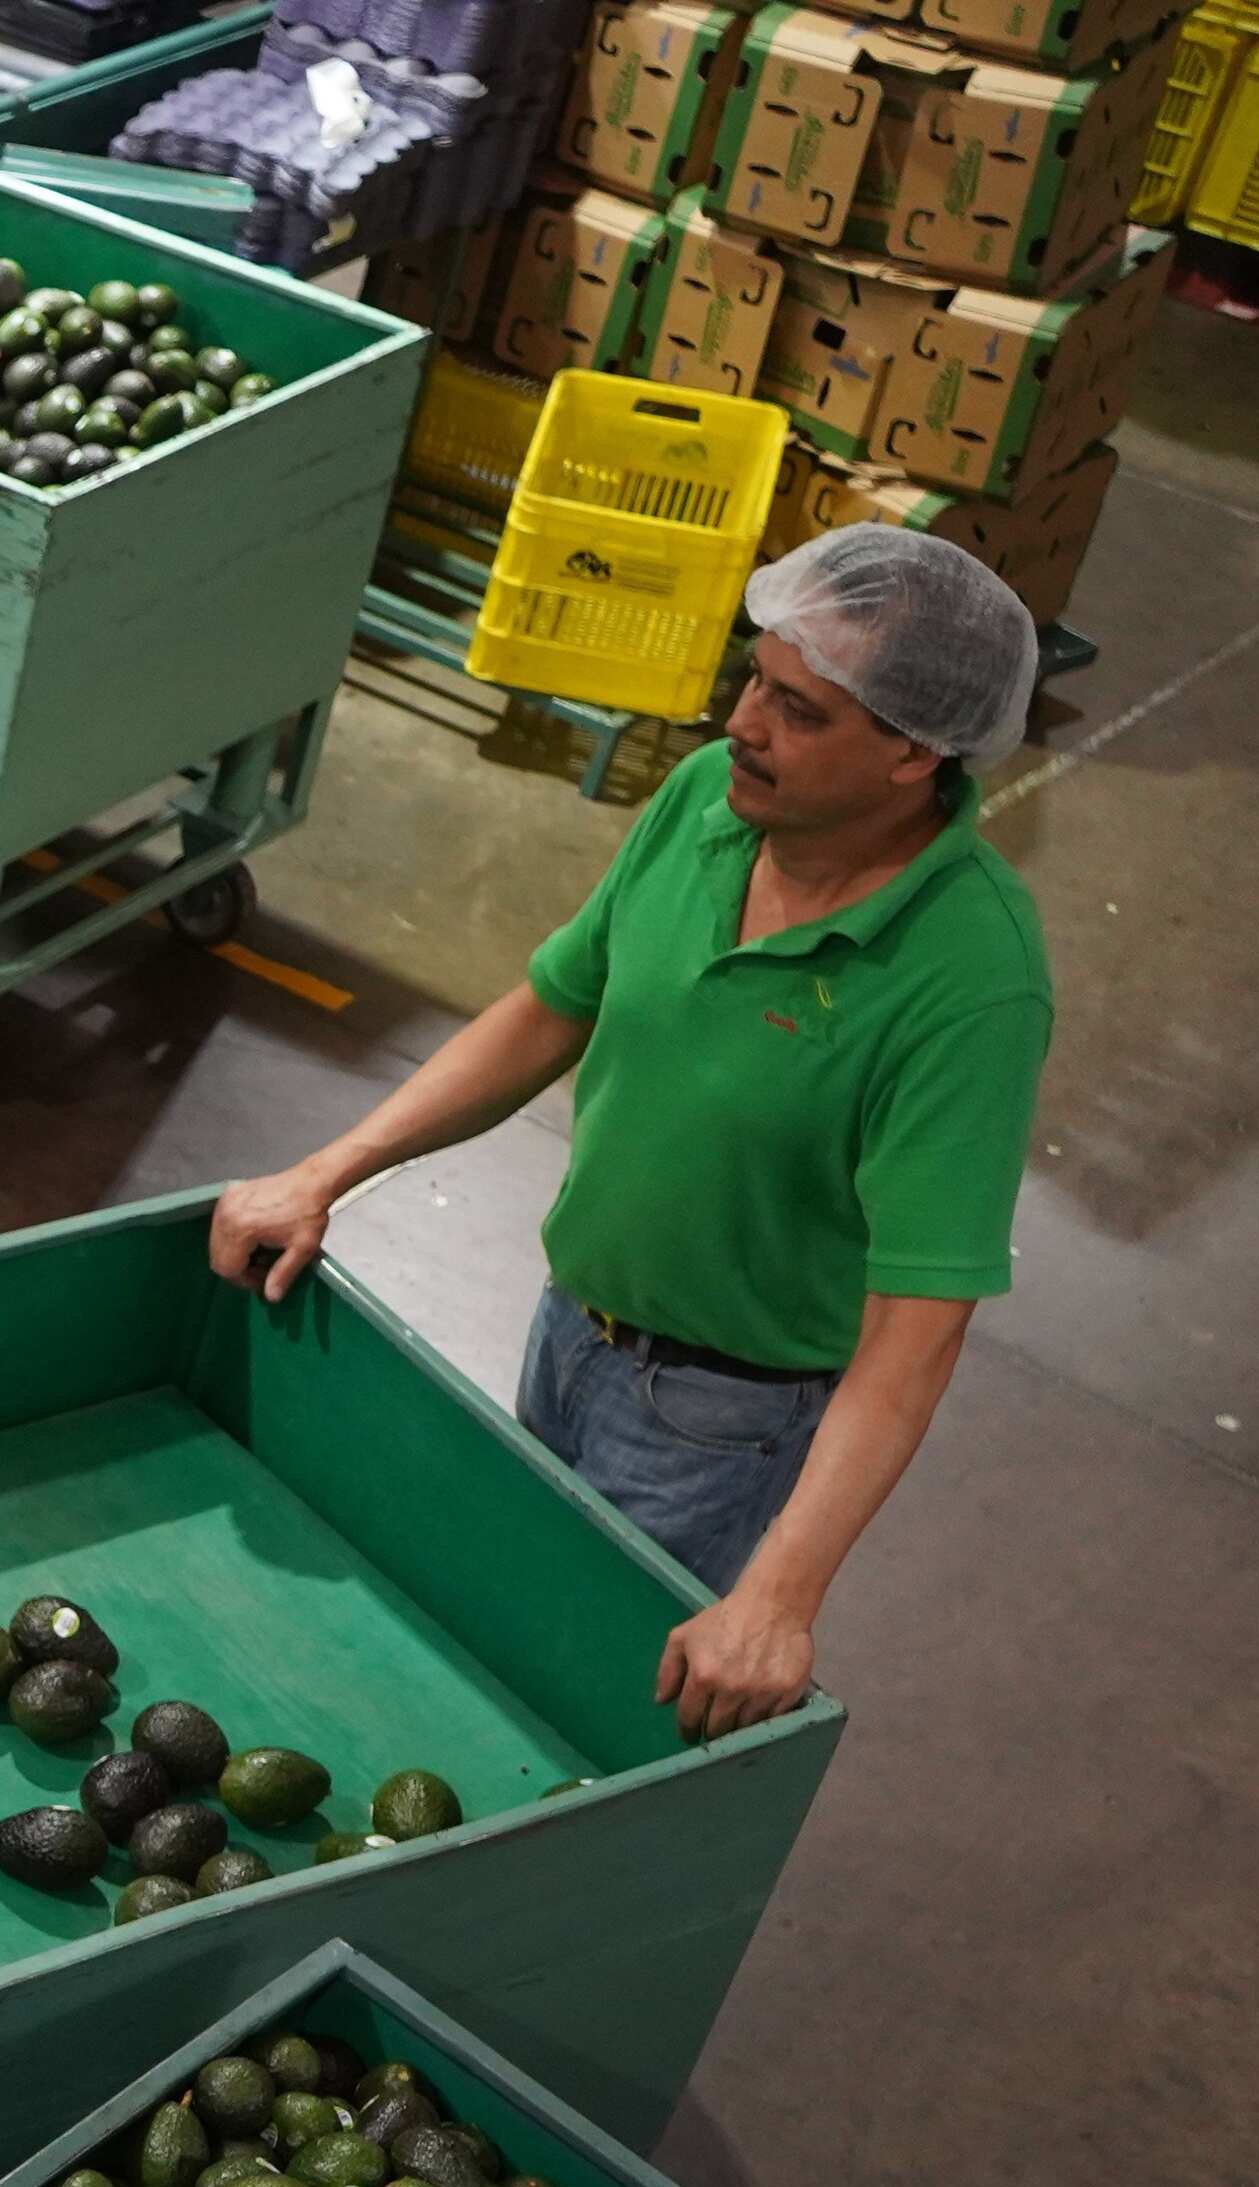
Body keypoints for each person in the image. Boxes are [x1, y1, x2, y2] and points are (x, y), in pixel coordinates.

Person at [211, 531, 1051, 1742]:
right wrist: (325, 1171)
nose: (742, 724)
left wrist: (779, 1593)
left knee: (586, 1687)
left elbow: (915, 1330)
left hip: (717, 1416)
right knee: (503, 1614)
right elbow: (552, 1005)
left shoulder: (968, 978)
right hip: (569, 1322)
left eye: (798, 710)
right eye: (754, 678)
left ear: (911, 752)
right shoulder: (708, 800)